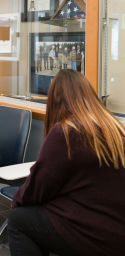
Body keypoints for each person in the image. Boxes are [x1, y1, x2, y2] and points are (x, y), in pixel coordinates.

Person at [7, 69, 125, 256]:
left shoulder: (67, 132)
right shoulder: (114, 128)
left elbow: (38, 187)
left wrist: (16, 201)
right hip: (116, 228)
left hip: (93, 234)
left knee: (17, 220)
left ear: (55, 100)